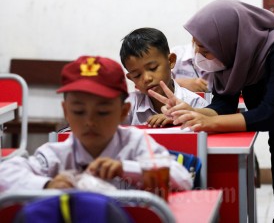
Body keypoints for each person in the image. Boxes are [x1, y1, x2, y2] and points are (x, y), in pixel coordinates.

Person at [148, 0, 274, 222]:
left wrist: (209, 123)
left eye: (205, 50)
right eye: (197, 47)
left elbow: (271, 113)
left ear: (228, 38)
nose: (200, 56)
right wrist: (191, 113)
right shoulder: (234, 57)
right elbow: (224, 105)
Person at [0, 55, 193, 192]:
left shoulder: (136, 144)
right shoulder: (57, 154)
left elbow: (183, 178)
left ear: (123, 112)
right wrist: (47, 185)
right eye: (78, 111)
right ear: (66, 112)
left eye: (102, 112)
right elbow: (5, 173)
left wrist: (125, 168)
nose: (90, 122)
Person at [119, 27, 208, 127]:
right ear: (131, 78)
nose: (147, 78)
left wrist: (182, 117)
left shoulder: (196, 103)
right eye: (137, 75)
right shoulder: (128, 106)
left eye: (153, 68)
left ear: (171, 61)